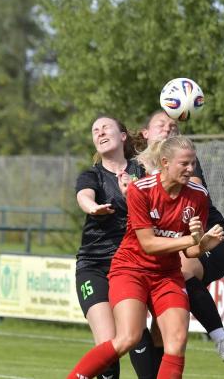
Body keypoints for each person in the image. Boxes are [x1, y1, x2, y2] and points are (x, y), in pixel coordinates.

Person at [67, 136, 224, 379]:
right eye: (184, 164)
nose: (191, 169)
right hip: (131, 270)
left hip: (167, 275)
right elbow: (149, 244)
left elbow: (190, 252)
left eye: (193, 163)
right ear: (164, 162)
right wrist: (191, 240)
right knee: (128, 338)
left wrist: (204, 244)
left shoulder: (198, 195)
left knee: (177, 340)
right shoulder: (141, 190)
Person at [133, 110, 224, 371]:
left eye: (173, 125)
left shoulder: (183, 163)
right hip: (166, 251)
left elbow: (189, 191)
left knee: (182, 272)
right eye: (161, 124)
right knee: (160, 329)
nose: (169, 128)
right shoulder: (133, 170)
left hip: (209, 239)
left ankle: (220, 337)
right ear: (144, 133)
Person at [74, 115, 143, 379]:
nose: (100, 132)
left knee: (139, 343)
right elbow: (84, 196)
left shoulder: (142, 172)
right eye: (95, 130)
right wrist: (93, 208)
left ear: (123, 136)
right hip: (94, 266)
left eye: (106, 128)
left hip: (131, 267)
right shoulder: (92, 175)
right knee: (108, 348)